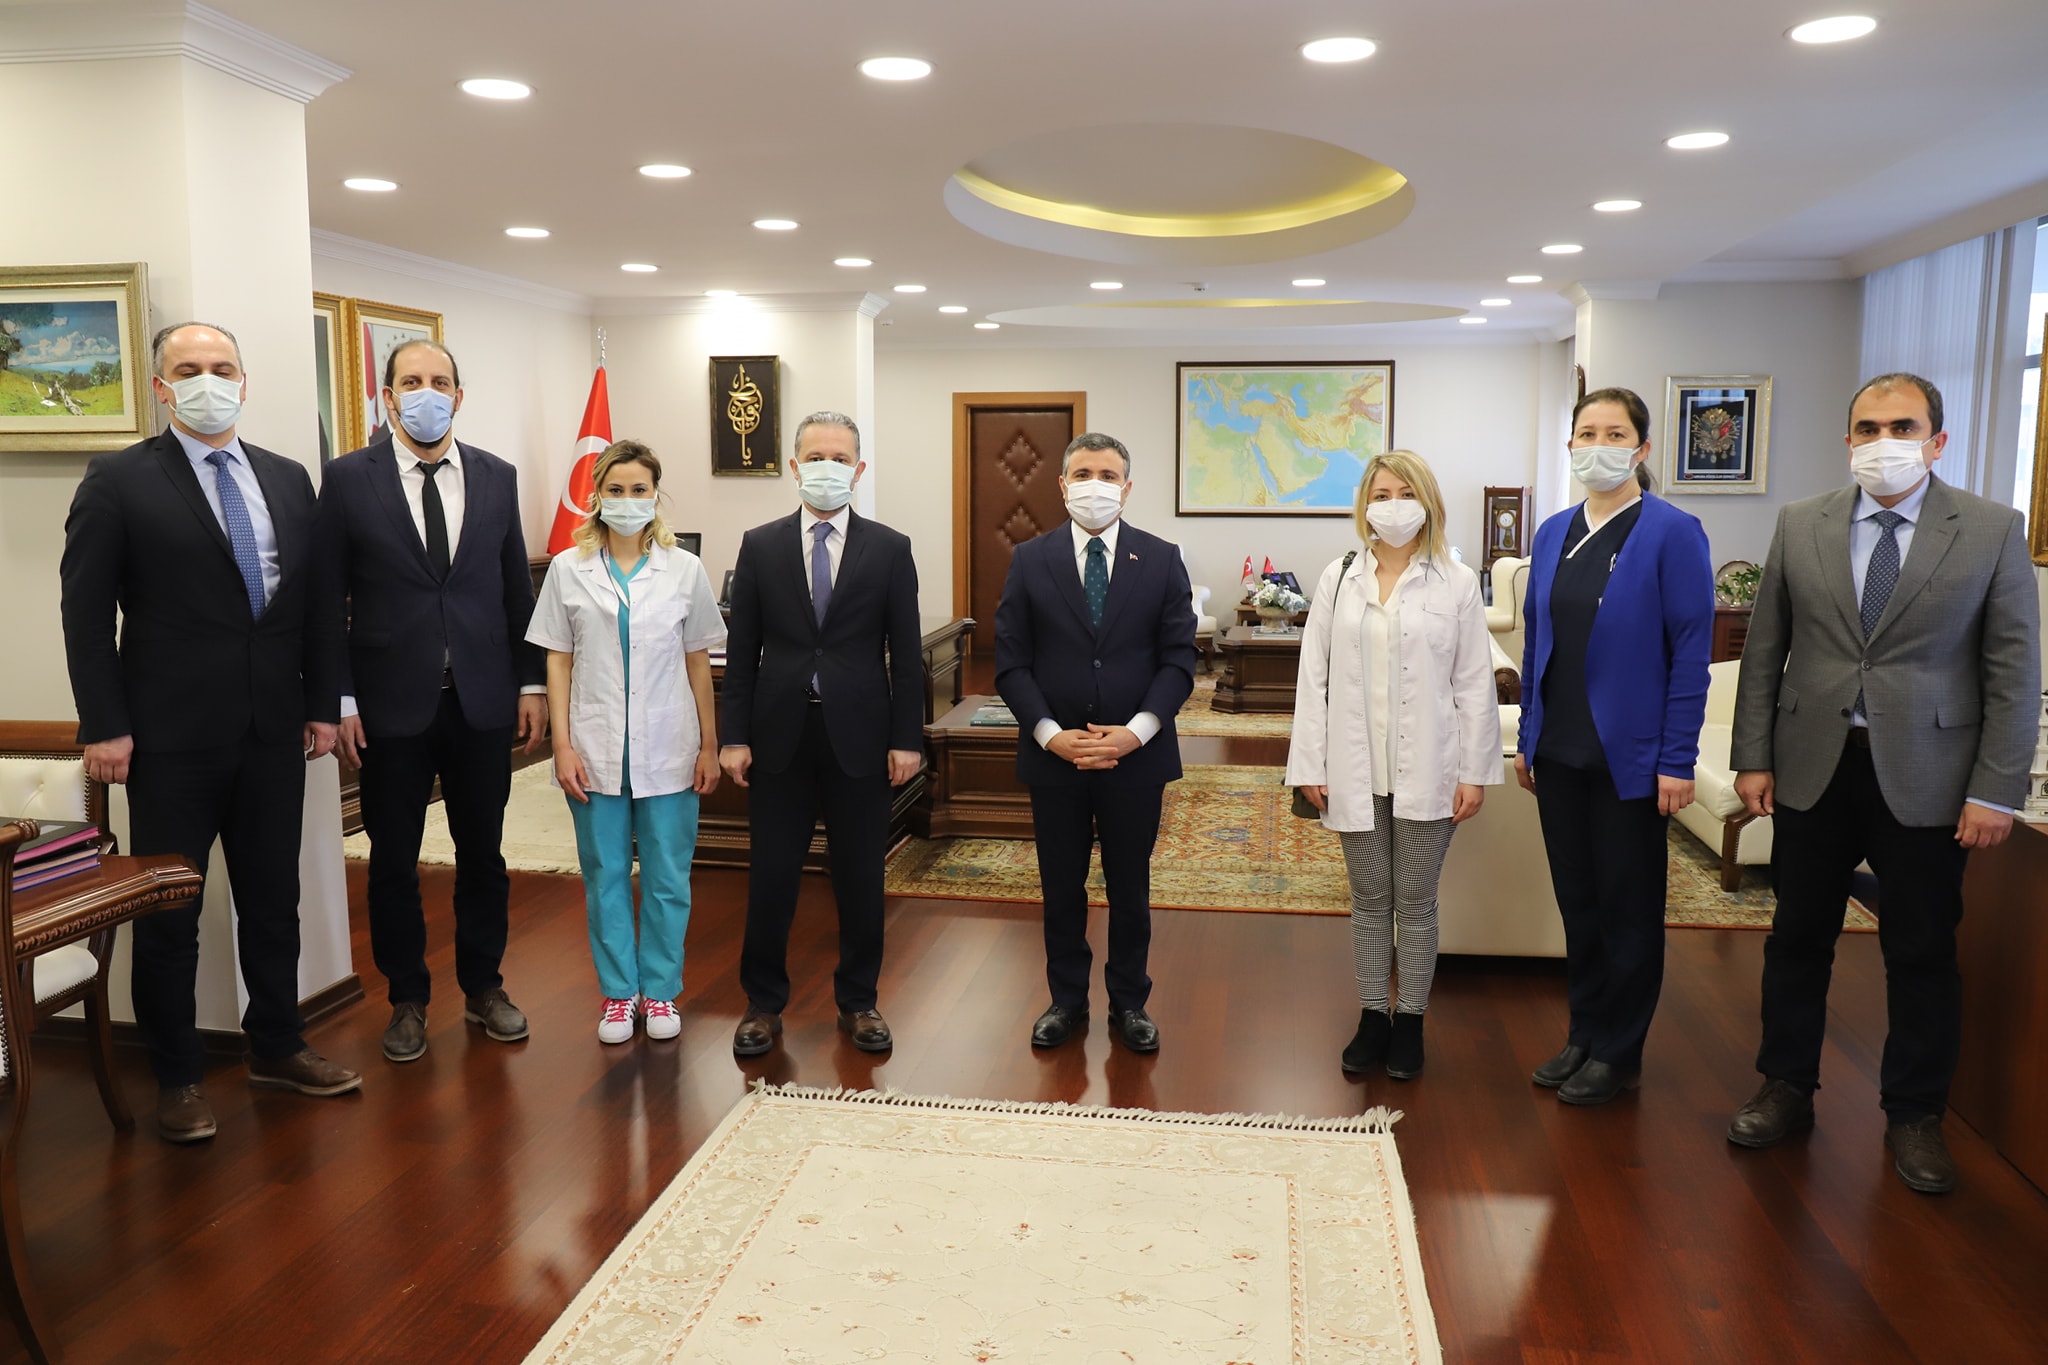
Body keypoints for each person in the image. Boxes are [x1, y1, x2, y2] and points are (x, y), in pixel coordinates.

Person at [1726, 373, 2040, 1194]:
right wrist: (1752, 755)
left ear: (1938, 441)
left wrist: (1996, 787)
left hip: (1930, 776)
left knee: (1922, 949)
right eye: (1867, 427)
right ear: (1848, 440)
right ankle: (1785, 1085)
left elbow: (2013, 669)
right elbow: (1765, 651)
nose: (1883, 441)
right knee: (1797, 937)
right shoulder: (1801, 522)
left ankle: (1914, 1112)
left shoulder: (1991, 529)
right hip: (1813, 766)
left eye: (1903, 426)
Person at [60, 322, 359, 1143]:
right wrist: (105, 725)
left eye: (222, 367)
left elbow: (314, 606)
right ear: (161, 387)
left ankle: (278, 1046)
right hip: (169, 738)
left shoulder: (288, 478)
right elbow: (85, 615)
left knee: (272, 901)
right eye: (188, 368)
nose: (207, 381)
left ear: (244, 380)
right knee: (171, 913)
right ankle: (178, 1076)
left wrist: (322, 705)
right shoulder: (119, 480)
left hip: (275, 730)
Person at [316, 340, 548, 1063]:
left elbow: (516, 589)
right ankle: (407, 999)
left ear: (458, 395)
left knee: (484, 853)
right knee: (393, 859)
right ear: (388, 397)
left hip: (480, 699)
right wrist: (340, 697)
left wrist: (531, 682)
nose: (427, 392)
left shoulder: (497, 476)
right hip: (388, 705)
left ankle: (484, 986)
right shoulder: (347, 480)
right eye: (411, 381)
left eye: (440, 381)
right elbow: (325, 600)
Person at [1516, 387, 1713, 1105]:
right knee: (1579, 904)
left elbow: (1690, 657)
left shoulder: (1672, 532)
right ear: (1570, 444)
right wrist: (1528, 734)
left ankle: (1619, 1050)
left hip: (1630, 758)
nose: (1598, 445)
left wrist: (1677, 759)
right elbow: (1537, 640)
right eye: (1587, 433)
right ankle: (1584, 1032)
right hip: (1559, 751)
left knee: (1628, 908)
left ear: (1642, 448)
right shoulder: (1552, 532)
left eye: (1615, 433)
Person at [1286, 451, 1501, 1079]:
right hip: (1354, 770)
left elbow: (1474, 683)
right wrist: (1310, 763)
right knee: (1369, 897)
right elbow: (1313, 677)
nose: (1393, 505)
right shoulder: (1339, 577)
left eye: (1405, 492)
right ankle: (1372, 1014)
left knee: (1415, 895)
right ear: (1364, 505)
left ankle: (1411, 1019)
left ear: (1427, 501)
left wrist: (1475, 772)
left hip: (1431, 768)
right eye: (1380, 494)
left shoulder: (1455, 582)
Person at [719, 412, 924, 1056]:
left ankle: (859, 1001)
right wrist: (732, 736)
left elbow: (906, 653)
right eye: (815, 456)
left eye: (839, 458)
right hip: (778, 736)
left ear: (858, 470)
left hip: (861, 738)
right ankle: (762, 1004)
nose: (827, 467)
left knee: (860, 877)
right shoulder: (760, 544)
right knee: (772, 876)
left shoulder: (890, 548)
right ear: (794, 466)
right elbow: (742, 651)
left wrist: (908, 738)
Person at [994, 432, 1199, 1054]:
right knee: (1061, 887)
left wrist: (1135, 733)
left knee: (1129, 886)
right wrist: (1051, 736)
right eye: (1083, 474)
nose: (1095, 485)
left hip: (1135, 758)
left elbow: (1179, 661)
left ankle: (1130, 1002)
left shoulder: (1161, 558)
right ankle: (1066, 1000)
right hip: (1055, 757)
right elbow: (1011, 663)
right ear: (1062, 485)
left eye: (1108, 475)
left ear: (1127, 488)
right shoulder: (1030, 560)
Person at [527, 440, 725, 1043]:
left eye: (639, 490)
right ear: (597, 496)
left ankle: (660, 991)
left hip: (669, 745)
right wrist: (561, 746)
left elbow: (698, 662)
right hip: (593, 746)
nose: (628, 500)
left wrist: (709, 745)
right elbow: (558, 661)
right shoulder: (568, 568)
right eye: (616, 490)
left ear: (655, 496)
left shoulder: (684, 569)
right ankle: (619, 994)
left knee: (667, 876)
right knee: (604, 873)